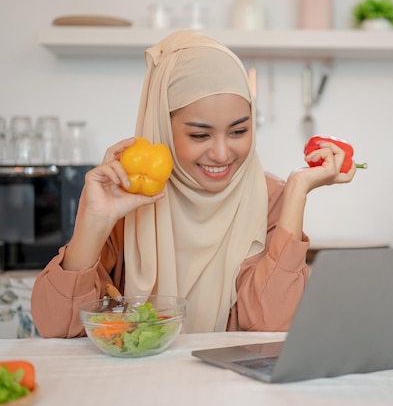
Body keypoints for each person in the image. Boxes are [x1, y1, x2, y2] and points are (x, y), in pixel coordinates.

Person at [31, 29, 356, 337]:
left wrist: (296, 192)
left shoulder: (270, 199)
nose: (221, 153)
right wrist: (95, 223)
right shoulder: (126, 199)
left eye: (239, 131)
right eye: (199, 134)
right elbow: (60, 329)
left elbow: (273, 324)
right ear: (161, 128)